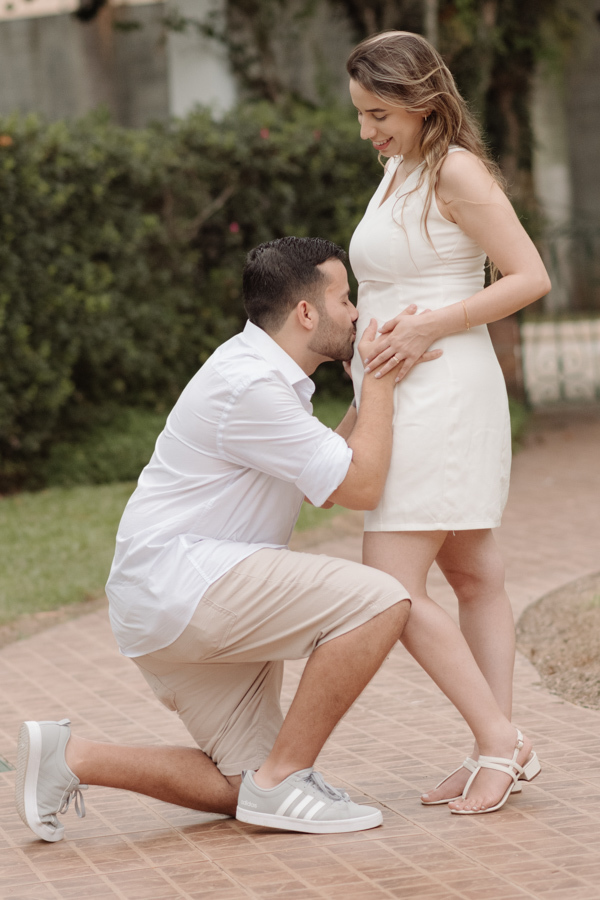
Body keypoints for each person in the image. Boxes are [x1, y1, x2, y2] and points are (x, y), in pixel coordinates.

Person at [15, 236, 437, 843]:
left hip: (164, 598)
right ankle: (287, 778)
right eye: (345, 299)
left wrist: (365, 387)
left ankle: (71, 757)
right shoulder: (251, 386)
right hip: (186, 583)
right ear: (306, 312)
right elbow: (362, 486)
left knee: (244, 785)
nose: (356, 314)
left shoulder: (261, 374)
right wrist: (382, 384)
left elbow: (327, 481)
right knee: (381, 601)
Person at [345, 31, 550, 814]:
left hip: (446, 394)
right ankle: (492, 747)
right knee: (472, 574)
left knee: (389, 586)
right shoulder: (398, 168)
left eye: (378, 114)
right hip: (401, 394)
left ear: (423, 103)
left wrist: (435, 323)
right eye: (360, 114)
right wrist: (361, 395)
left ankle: (501, 741)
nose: (366, 131)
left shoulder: (456, 169)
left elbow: (530, 276)